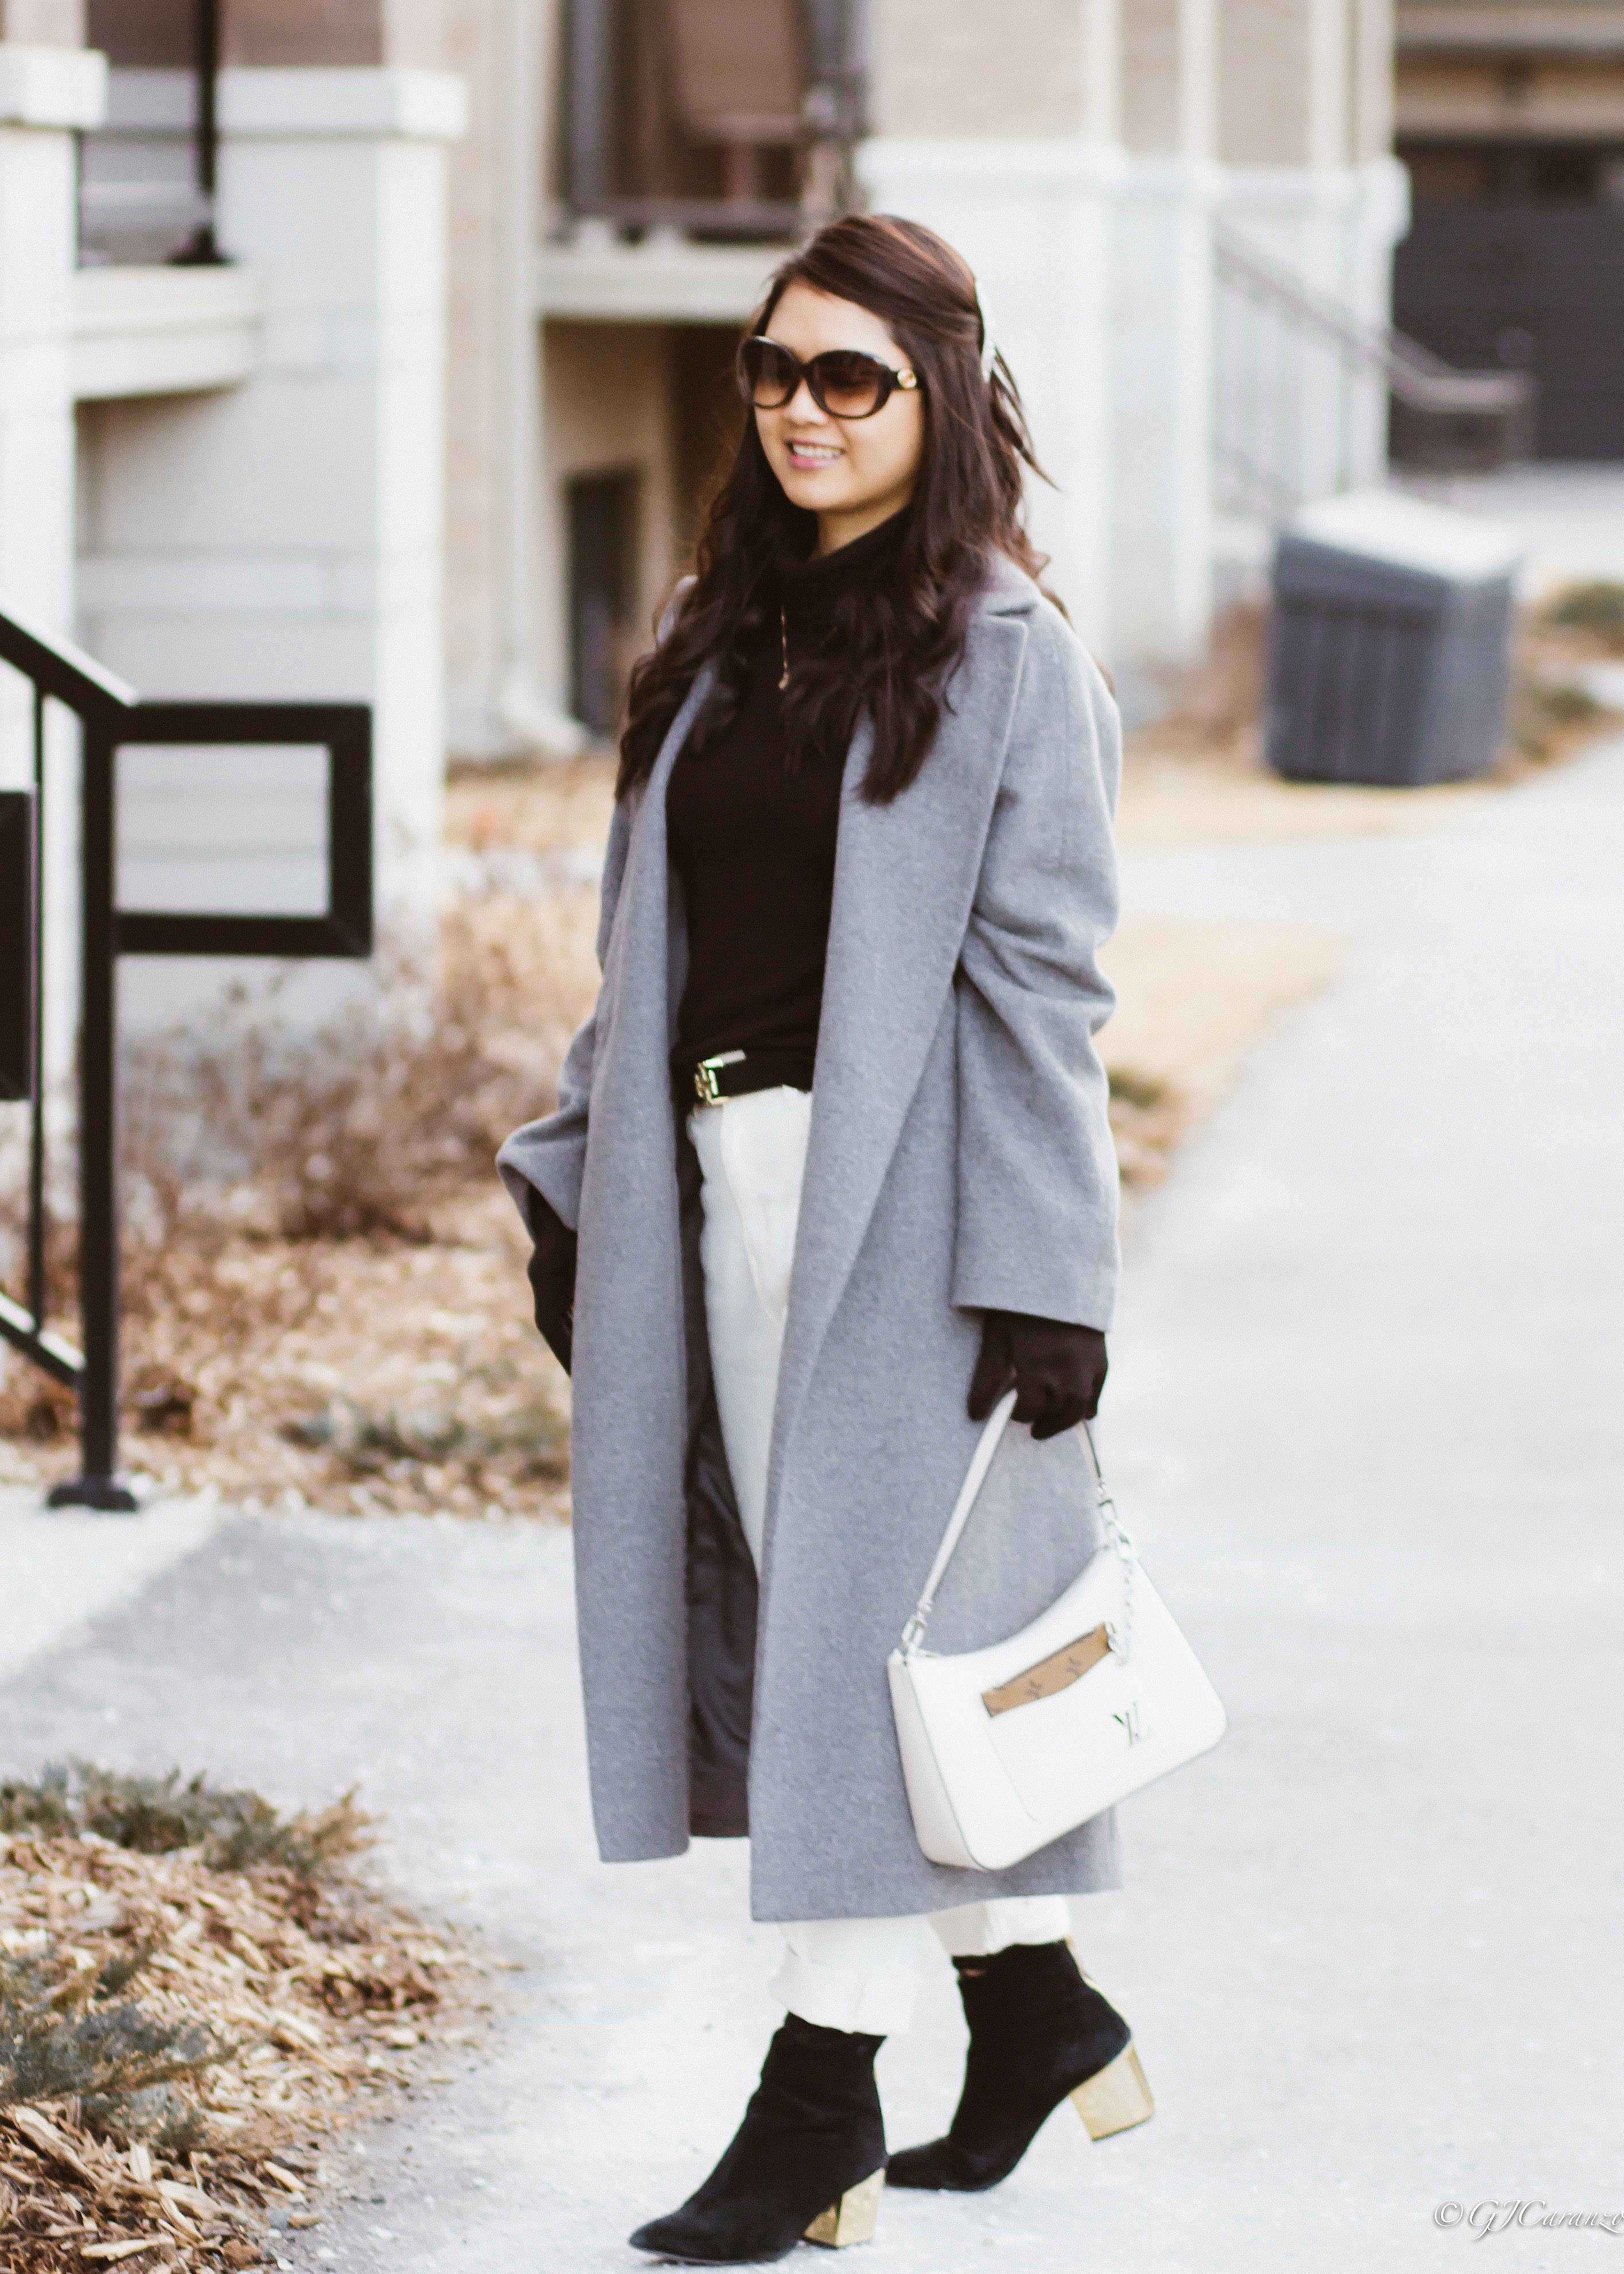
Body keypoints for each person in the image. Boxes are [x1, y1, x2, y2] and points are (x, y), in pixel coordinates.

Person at [499, 212, 1148, 2267]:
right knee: (856, 1639)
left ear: (940, 394)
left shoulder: (1006, 653)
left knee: (851, 1656)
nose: (801, 410)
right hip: (707, 1193)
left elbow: (1052, 986)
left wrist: (1052, 1272)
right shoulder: (718, 630)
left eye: (848, 378)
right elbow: (648, 943)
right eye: (774, 373)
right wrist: (575, 1163)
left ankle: (817, 2104)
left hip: (904, 1217)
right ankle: (1038, 2007)